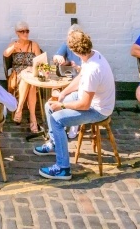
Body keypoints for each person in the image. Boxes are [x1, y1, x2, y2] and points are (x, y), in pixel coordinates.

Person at [32, 29, 115, 181]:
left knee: (57, 119)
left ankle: (63, 168)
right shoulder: (91, 55)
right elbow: (80, 77)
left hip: (98, 109)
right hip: (89, 96)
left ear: (74, 51)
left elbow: (84, 104)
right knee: (49, 105)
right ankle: (55, 143)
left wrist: (62, 106)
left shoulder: (93, 70)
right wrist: (63, 95)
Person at [2, 21, 42, 133]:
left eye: (27, 31)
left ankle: (19, 110)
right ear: (17, 33)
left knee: (31, 82)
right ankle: (33, 119)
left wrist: (33, 68)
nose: (25, 33)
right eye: (22, 31)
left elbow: (40, 61)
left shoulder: (33, 45)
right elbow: (5, 54)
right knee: (28, 80)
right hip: (18, 74)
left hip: (31, 72)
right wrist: (13, 48)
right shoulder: (14, 44)